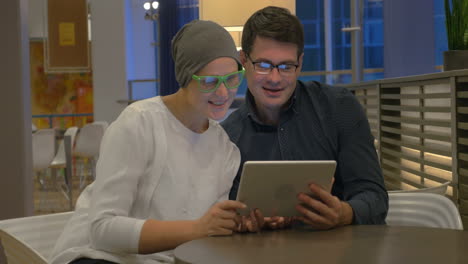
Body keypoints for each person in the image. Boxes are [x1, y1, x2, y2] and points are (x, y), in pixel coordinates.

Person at [50, 20, 247, 264]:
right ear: (185, 78)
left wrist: (235, 224)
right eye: (209, 81)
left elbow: (209, 234)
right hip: (98, 256)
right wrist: (198, 229)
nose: (223, 92)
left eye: (232, 79)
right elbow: (102, 229)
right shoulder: (139, 123)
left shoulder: (225, 149)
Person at [221, 6, 388, 231]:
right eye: (263, 65)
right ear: (243, 60)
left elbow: (375, 197)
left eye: (286, 66)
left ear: (300, 63)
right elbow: (225, 214)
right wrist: (241, 222)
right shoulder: (227, 137)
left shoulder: (339, 107)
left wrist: (344, 213)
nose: (274, 78)